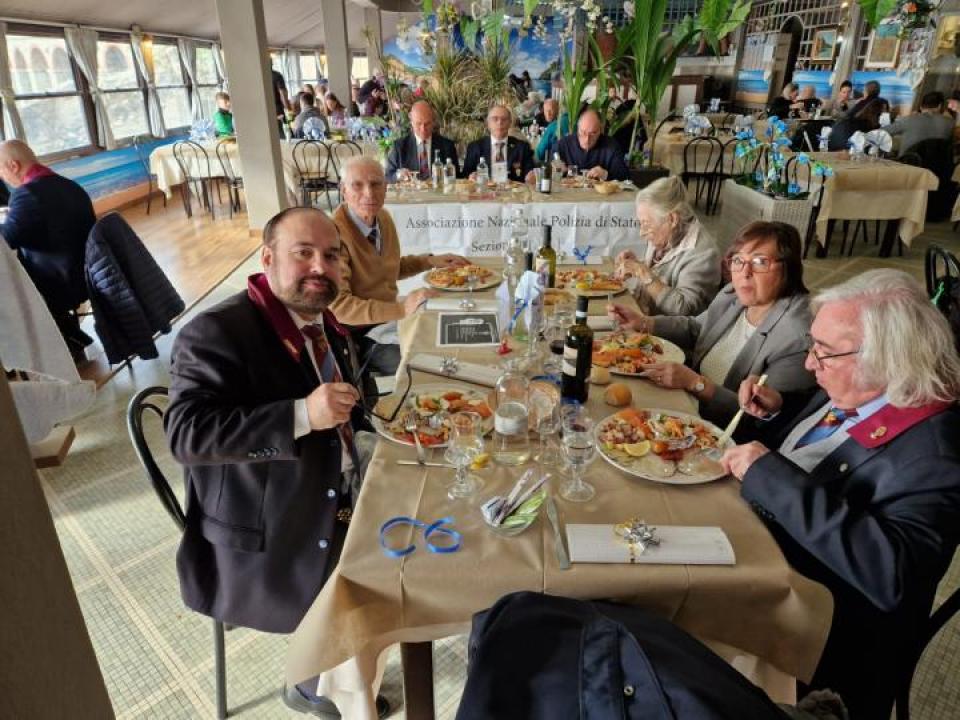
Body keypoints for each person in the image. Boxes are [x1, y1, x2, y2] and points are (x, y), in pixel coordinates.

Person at [164, 206, 390, 718]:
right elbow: (184, 434)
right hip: (270, 530)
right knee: (378, 578)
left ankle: (339, 668)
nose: (319, 267)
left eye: (331, 256)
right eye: (303, 253)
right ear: (267, 259)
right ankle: (319, 681)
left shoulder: (320, 319)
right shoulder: (217, 332)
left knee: (429, 529)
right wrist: (300, 415)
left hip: (340, 487)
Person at [722, 269, 960, 720]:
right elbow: (824, 449)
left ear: (890, 357)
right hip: (760, 551)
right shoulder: (862, 385)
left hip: (817, 634)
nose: (810, 364)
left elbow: (891, 574)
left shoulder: (937, 455)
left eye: (824, 353)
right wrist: (776, 415)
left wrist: (769, 476)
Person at [608, 221, 815, 427]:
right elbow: (698, 329)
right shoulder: (733, 294)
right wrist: (644, 323)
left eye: (760, 262)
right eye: (738, 260)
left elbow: (758, 421)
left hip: (720, 432)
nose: (745, 272)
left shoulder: (796, 337)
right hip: (686, 403)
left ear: (789, 267)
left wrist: (695, 383)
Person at [330, 156, 469, 374]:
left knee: (450, 337)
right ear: (343, 190)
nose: (369, 193)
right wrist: (401, 308)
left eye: (376, 184)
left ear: (386, 188)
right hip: (358, 335)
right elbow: (340, 308)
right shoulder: (333, 235)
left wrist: (430, 261)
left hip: (389, 319)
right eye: (357, 185)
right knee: (431, 366)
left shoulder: (382, 218)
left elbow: (387, 269)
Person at [0, 139, 95, 361]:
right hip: (84, 270)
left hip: (60, 282)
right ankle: (70, 338)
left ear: (13, 165)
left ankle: (45, 350)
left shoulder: (29, 194)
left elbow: (6, 240)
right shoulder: (68, 185)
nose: (2, 177)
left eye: (1, 170)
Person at [613, 176, 720, 317]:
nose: (641, 233)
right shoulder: (667, 234)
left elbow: (684, 310)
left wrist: (642, 272)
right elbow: (663, 271)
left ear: (672, 219)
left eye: (646, 224)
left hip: (669, 336)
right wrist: (637, 265)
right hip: (645, 317)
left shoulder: (704, 254)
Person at [384, 100, 459, 182]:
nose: (423, 129)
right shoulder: (399, 146)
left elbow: (457, 177)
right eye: (418, 124)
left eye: (427, 124)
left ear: (433, 122)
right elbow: (388, 176)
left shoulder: (447, 146)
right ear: (411, 122)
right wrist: (398, 175)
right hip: (411, 194)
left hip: (438, 193)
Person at [462, 104, 535, 183]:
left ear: (510, 123)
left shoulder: (522, 147)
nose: (500, 122)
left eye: (504, 119)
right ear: (488, 123)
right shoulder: (475, 147)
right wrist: (470, 176)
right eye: (495, 119)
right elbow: (465, 174)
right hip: (484, 193)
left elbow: (529, 174)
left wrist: (531, 177)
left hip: (512, 193)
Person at [552, 109, 630, 181]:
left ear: (600, 130)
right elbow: (547, 172)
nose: (587, 139)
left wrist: (605, 174)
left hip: (600, 195)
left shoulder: (611, 147)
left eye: (593, 134)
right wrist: (555, 170)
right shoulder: (562, 145)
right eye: (583, 133)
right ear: (578, 128)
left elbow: (624, 176)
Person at [886, 90, 954, 156]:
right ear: (939, 106)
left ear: (921, 107)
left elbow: (881, 132)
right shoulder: (950, 123)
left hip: (907, 164)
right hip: (935, 166)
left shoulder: (910, 119)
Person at [270, 59, 291, 138]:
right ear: (271, 63)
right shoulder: (277, 75)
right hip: (277, 109)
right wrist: (288, 108)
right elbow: (282, 93)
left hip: (263, 111)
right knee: (284, 135)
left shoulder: (258, 76)